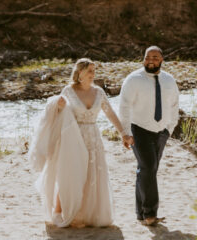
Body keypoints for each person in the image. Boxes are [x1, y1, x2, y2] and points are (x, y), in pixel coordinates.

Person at [29, 57, 132, 228]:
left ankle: (87, 214)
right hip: (72, 138)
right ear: (80, 73)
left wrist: (123, 133)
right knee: (70, 174)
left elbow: (110, 112)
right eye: (90, 71)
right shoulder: (68, 91)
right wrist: (59, 106)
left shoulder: (98, 92)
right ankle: (60, 211)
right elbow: (57, 111)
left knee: (93, 173)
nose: (93, 74)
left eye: (94, 71)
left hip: (93, 137)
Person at [118, 46, 180, 226]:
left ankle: (140, 213)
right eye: (147, 57)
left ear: (161, 60)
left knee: (147, 170)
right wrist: (126, 132)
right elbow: (124, 106)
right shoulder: (133, 79)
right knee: (149, 167)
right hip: (139, 130)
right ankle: (150, 214)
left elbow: (174, 104)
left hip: (161, 132)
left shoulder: (169, 80)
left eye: (155, 57)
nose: (150, 60)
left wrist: (170, 128)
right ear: (143, 59)